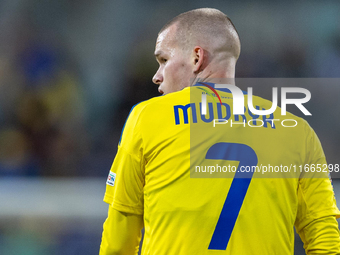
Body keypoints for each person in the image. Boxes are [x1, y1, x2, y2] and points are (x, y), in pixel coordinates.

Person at [100, 8, 340, 254]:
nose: (156, 76)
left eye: (163, 60)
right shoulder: (298, 131)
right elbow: (323, 235)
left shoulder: (147, 117)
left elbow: (120, 238)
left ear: (196, 58)